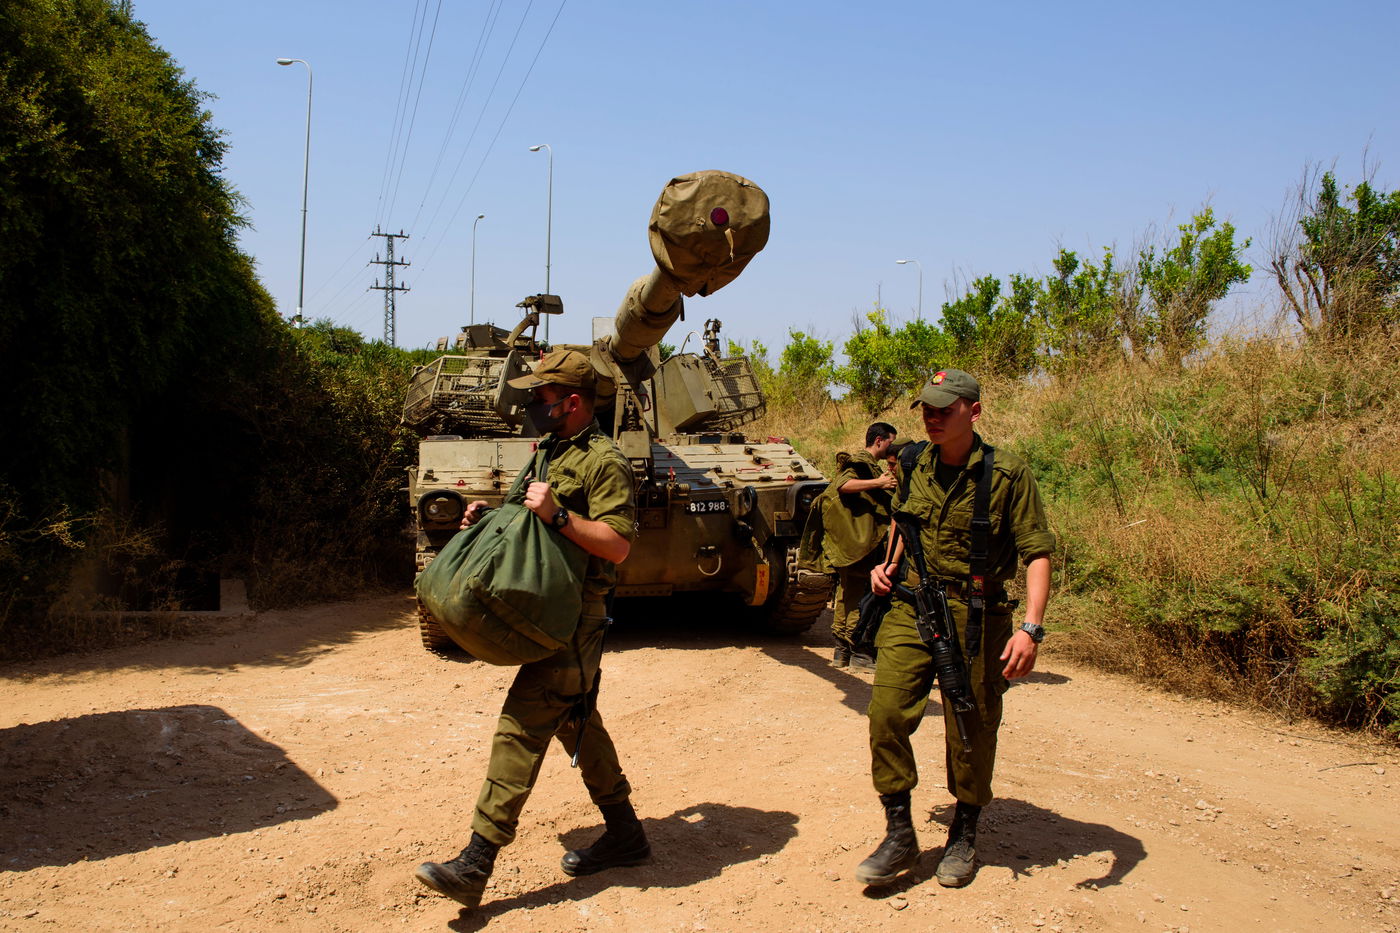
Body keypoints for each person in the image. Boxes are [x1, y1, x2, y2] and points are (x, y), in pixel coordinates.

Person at [415, 349, 646, 910]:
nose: (530, 406)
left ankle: (476, 862)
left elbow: (618, 545)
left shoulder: (603, 462)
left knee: (522, 724)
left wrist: (561, 518)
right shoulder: (548, 449)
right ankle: (626, 834)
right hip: (548, 608)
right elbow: (523, 512)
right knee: (574, 720)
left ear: (570, 402)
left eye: (539, 398)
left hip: (575, 618)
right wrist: (486, 516)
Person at [856, 369, 1053, 889]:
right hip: (912, 606)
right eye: (927, 408)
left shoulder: (1008, 475)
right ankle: (899, 831)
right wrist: (888, 565)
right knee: (886, 714)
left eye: (945, 408)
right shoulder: (912, 460)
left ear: (975, 411)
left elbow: (1037, 552)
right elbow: (904, 521)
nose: (933, 416)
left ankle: (964, 831)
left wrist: (1030, 628)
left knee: (971, 725)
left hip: (977, 615)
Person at [825, 422, 898, 669]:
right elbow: (843, 485)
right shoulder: (860, 463)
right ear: (879, 440)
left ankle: (841, 653)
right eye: (890, 442)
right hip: (860, 544)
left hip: (855, 542)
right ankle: (858, 653)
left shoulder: (869, 467)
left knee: (847, 595)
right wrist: (879, 483)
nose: (891, 447)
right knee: (859, 596)